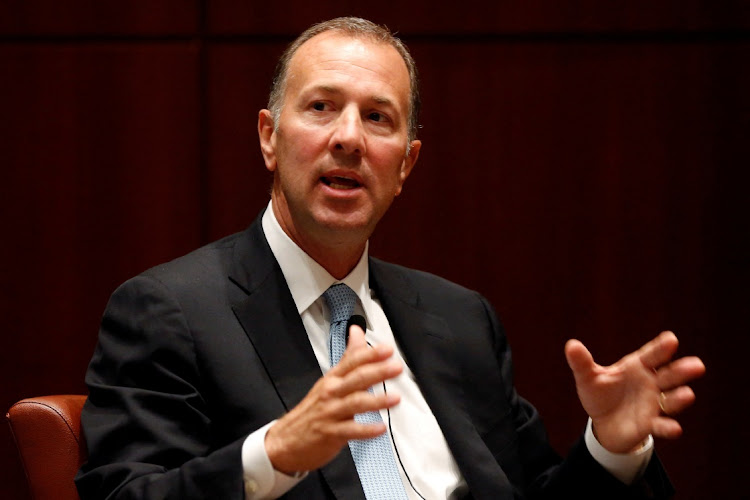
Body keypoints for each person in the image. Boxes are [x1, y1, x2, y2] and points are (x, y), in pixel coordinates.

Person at [75, 17, 705, 500]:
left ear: (405, 165)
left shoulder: (459, 320)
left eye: (378, 117)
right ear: (269, 137)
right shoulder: (169, 311)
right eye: (321, 107)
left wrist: (611, 449)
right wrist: (278, 452)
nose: (348, 137)